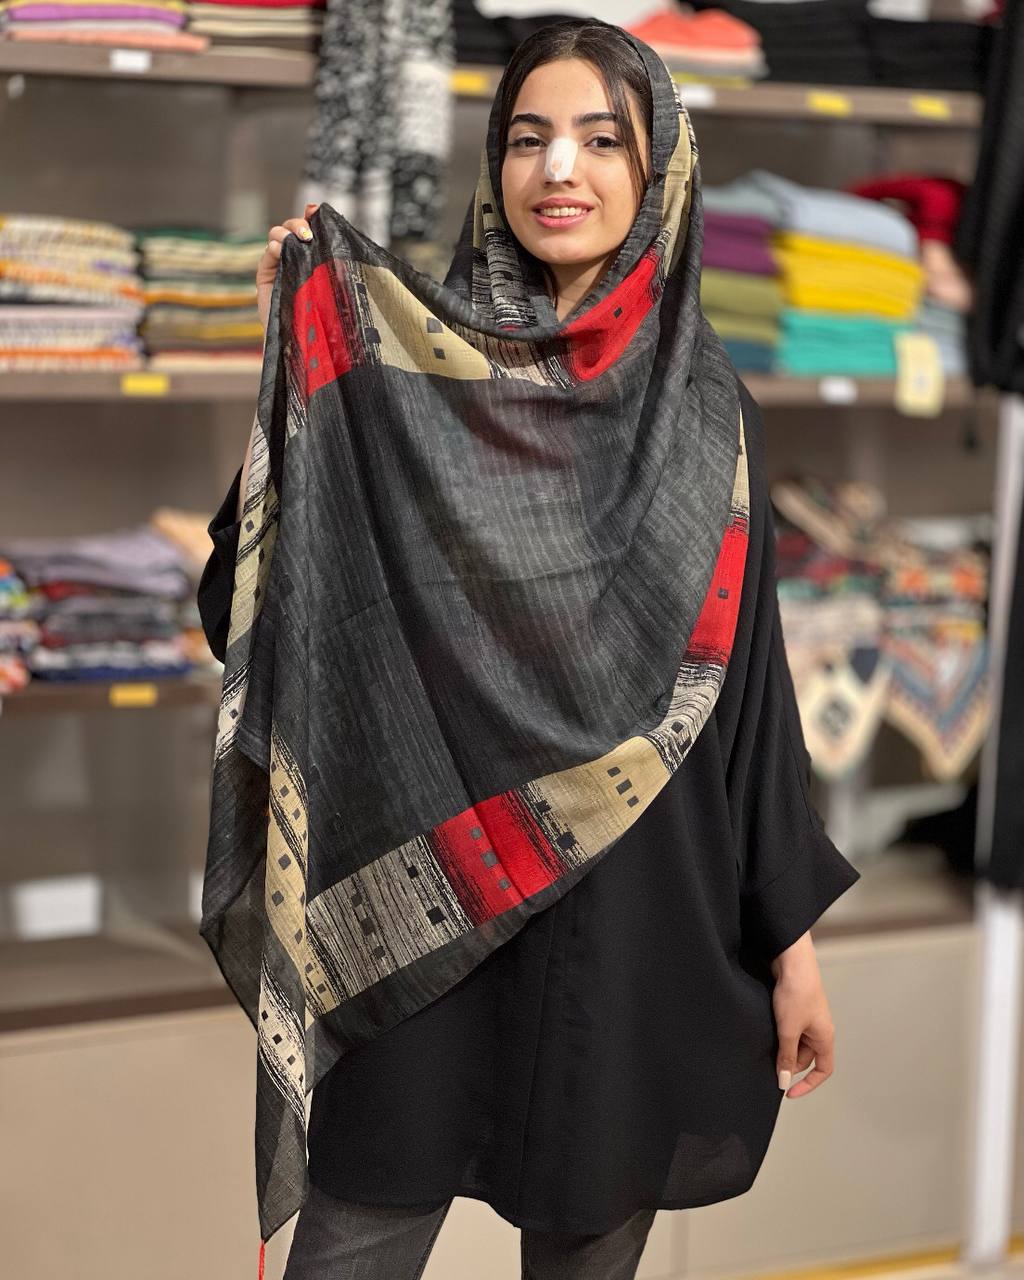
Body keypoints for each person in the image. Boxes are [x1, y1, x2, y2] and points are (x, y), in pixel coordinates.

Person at [197, 19, 861, 1280]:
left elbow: (748, 702)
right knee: (352, 1245)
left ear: (658, 169)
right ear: (493, 164)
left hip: (635, 925)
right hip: (428, 902)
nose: (558, 168)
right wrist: (296, 365)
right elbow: (265, 591)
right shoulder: (405, 378)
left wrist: (793, 949)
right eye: (526, 137)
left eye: (602, 141)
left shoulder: (712, 411)